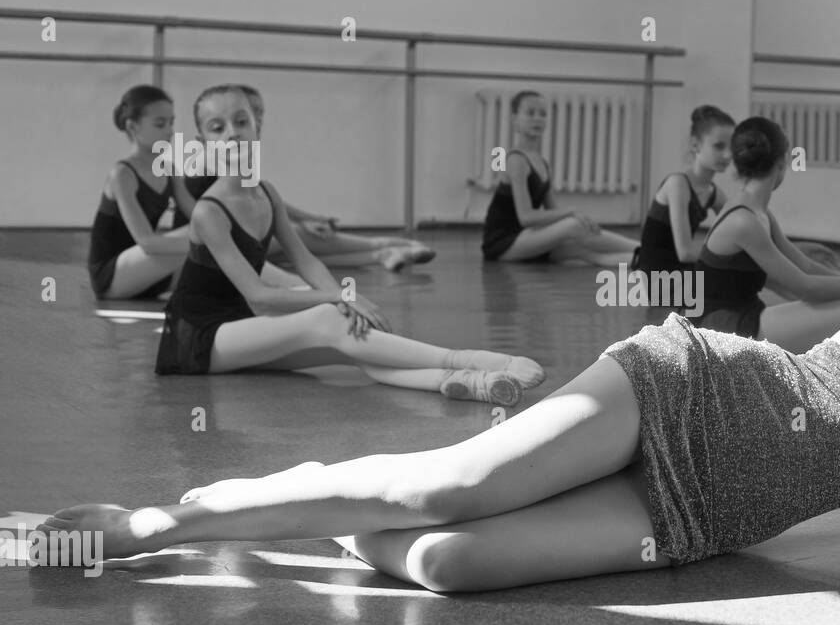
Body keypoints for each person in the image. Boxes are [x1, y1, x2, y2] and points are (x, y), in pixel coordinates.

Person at [39, 1, 840, 592]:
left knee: (447, 565)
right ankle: (161, 527)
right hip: (687, 393)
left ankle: (312, 510)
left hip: (719, 514)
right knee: (439, 483)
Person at [153, 84, 545, 405]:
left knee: (351, 347)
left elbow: (305, 260)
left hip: (240, 325)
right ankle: (466, 358)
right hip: (198, 339)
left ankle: (464, 382)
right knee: (327, 319)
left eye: (241, 122)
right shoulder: (209, 212)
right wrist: (338, 297)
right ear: (204, 140)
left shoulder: (267, 193)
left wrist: (342, 295)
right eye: (217, 128)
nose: (232, 133)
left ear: (258, 126)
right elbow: (260, 297)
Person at [172, 85, 434, 271]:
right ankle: (387, 246)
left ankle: (382, 254)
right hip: (209, 244)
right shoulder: (217, 163)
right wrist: (308, 219)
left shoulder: (247, 172)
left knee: (291, 254)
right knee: (309, 240)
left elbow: (260, 198)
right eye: (254, 113)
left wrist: (308, 217)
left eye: (255, 116)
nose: (257, 121)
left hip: (235, 239)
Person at [693, 118, 840, 351]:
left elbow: (805, 265)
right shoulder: (744, 221)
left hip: (739, 317)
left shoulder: (757, 211)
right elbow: (805, 287)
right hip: (719, 329)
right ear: (781, 162)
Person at [481, 91, 640, 265]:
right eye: (530, 113)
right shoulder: (515, 160)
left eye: (543, 114)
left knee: (584, 252)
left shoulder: (542, 162)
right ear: (515, 120)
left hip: (527, 236)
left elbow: (553, 212)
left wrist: (573, 225)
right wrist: (572, 213)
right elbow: (526, 217)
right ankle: (643, 248)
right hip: (503, 243)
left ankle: (647, 258)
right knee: (573, 226)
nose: (537, 119)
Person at [86, 86, 194, 299]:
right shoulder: (122, 174)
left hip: (149, 273)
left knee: (215, 228)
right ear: (132, 127)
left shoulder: (169, 169)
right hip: (113, 276)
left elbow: (200, 215)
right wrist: (210, 240)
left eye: (171, 123)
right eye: (160, 124)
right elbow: (147, 242)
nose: (169, 131)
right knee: (211, 235)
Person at [631, 106, 732, 275]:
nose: (728, 155)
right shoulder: (677, 184)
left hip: (679, 271)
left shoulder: (714, 193)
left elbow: (739, 224)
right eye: (719, 146)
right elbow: (685, 252)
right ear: (695, 145)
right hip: (658, 278)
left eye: (731, 147)